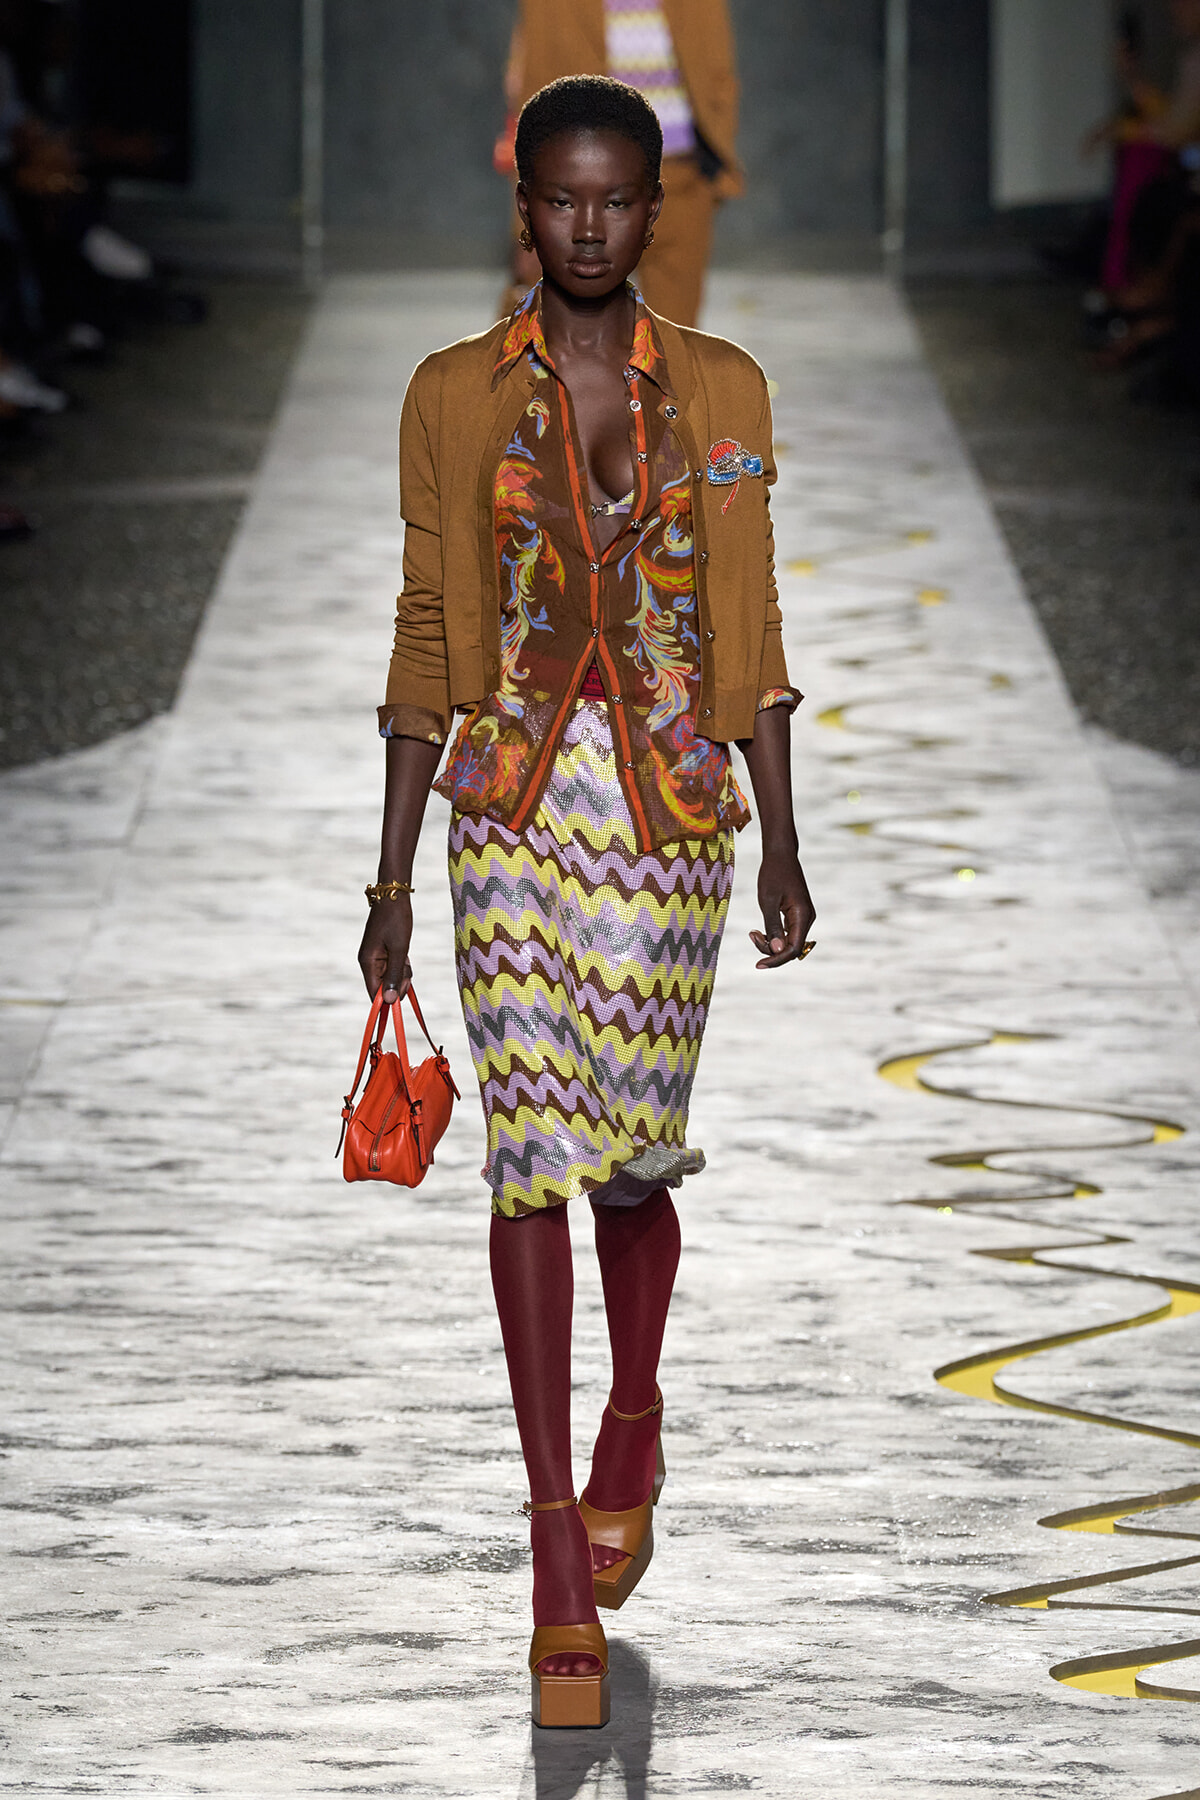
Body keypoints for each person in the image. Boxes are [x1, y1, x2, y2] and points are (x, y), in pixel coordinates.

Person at [359, 75, 814, 1729]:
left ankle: (635, 1416)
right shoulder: (452, 393)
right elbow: (429, 620)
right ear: (526, 206)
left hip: (674, 816)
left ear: (654, 207)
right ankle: (555, 1538)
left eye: (619, 197)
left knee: (630, 1161)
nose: (592, 225)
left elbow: (751, 619)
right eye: (563, 197)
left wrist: (783, 839)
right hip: (510, 804)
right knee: (529, 1159)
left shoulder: (726, 387)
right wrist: (391, 876)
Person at [495, 0, 742, 327]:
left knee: (673, 339)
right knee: (551, 334)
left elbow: (717, 70)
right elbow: (532, 87)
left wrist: (713, 165)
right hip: (581, 181)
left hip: (681, 176)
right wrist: (529, 215)